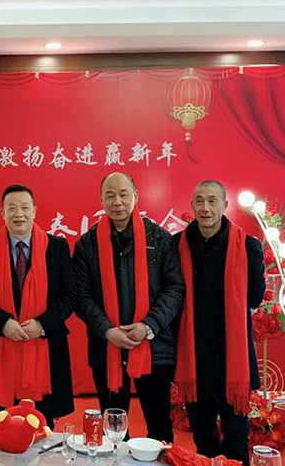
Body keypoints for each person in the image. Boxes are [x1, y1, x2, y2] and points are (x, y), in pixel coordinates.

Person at [73, 172, 184, 442]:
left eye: (123, 194)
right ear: (101, 200)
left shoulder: (159, 239)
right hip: (106, 347)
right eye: (110, 195)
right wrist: (107, 331)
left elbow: (174, 289)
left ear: (136, 196)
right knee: (113, 429)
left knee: (159, 428)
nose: (117, 202)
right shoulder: (87, 245)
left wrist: (148, 326)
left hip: (154, 348)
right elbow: (81, 296)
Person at [173, 180, 265, 465]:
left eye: (212, 201)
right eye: (199, 201)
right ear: (192, 205)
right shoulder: (177, 245)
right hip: (193, 354)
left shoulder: (248, 246)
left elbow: (255, 297)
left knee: (236, 437)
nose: (205, 208)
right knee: (203, 435)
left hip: (233, 356)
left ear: (225, 205)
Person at [0, 184, 75, 429]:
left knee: (43, 425)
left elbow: (69, 296)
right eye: (12, 208)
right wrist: (3, 323)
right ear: (2, 213)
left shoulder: (56, 248)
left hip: (45, 346)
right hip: (0, 344)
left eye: (25, 208)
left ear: (34, 211)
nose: (19, 214)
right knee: (1, 424)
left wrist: (42, 324)